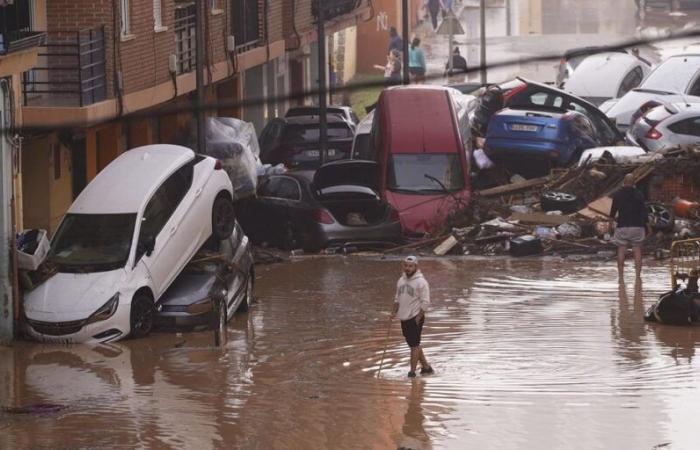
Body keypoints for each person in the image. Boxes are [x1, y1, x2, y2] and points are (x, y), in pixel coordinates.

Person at [391, 256, 433, 378]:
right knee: (413, 344)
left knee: (414, 345)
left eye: (410, 266)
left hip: (415, 317)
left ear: (416, 267)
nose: (408, 268)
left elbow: (426, 302)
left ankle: (412, 372)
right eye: (406, 266)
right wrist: (393, 312)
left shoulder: (421, 282)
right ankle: (426, 367)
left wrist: (418, 317)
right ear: (403, 266)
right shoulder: (400, 280)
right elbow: (396, 298)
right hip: (403, 317)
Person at [610, 174, 650, 281]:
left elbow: (613, 211)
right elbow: (644, 212)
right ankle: (637, 277)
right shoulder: (639, 194)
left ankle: (621, 277)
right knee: (637, 250)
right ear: (634, 182)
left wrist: (610, 224)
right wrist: (648, 225)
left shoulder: (617, 194)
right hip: (637, 226)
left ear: (624, 181)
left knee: (621, 249)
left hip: (622, 226)